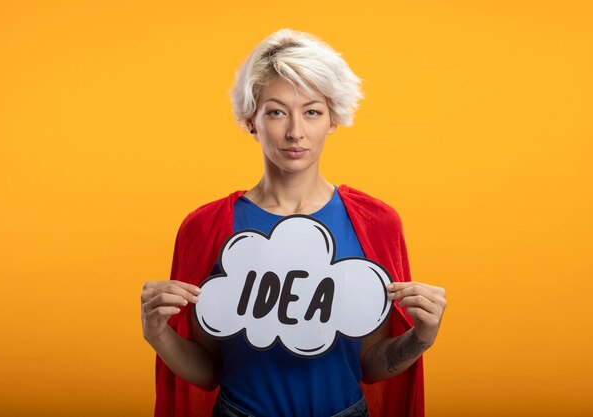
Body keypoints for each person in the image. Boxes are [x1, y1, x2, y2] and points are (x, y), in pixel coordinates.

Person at [141, 28, 447, 417]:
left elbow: (370, 365)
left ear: (332, 119)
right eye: (276, 111)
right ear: (251, 121)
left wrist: (422, 336)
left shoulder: (375, 222)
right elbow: (210, 370)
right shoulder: (208, 226)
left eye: (312, 111)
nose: (294, 131)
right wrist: (158, 334)